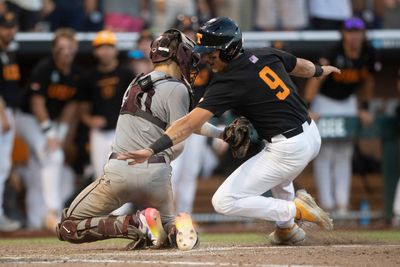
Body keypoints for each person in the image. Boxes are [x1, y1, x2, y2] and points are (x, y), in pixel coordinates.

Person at [118, 17, 340, 245]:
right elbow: (300, 65)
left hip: (288, 148)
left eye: (211, 54)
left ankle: (293, 210)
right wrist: (320, 70)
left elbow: (189, 124)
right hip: (310, 135)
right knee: (280, 179)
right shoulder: (264, 54)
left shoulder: (229, 80)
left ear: (229, 49)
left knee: (224, 201)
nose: (206, 58)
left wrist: (151, 149)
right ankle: (287, 230)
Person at [56, 29, 209, 251]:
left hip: (121, 169)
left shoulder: (135, 81)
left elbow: (185, 124)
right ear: (179, 56)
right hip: (158, 175)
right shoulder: (179, 89)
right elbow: (183, 133)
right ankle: (174, 227)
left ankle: (133, 223)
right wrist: (221, 134)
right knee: (166, 232)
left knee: (67, 226)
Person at [304, 17, 376, 215]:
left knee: (345, 152)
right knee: (325, 152)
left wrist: (365, 107)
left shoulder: (368, 52)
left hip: (348, 101)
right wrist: (308, 107)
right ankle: (327, 204)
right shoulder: (332, 52)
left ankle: (342, 204)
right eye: (350, 32)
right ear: (344, 34)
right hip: (325, 102)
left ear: (363, 34)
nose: (354, 36)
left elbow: (368, 81)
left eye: (358, 32)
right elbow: (316, 78)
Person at [15, 28, 80, 230]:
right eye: (61, 48)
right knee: (53, 156)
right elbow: (37, 103)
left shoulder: (75, 74)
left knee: (39, 170)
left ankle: (36, 222)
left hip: (49, 122)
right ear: (54, 50)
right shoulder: (45, 68)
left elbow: (71, 107)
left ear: (75, 48)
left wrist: (60, 135)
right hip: (26, 118)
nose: (65, 52)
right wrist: (51, 135)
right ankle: (54, 212)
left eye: (69, 47)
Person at [81, 30, 134, 181]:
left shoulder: (126, 73)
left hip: (121, 130)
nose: (105, 51)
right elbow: (83, 106)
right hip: (98, 131)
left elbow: (136, 103)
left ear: (115, 50)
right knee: (100, 174)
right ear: (95, 51)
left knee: (122, 174)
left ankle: (124, 206)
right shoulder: (90, 76)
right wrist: (89, 120)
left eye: (109, 47)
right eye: (101, 47)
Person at [0, 11, 22, 232]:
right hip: (2, 111)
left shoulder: (9, 52)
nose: (10, 31)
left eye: (12, 26)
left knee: (4, 165)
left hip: (8, 110)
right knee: (1, 165)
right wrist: (3, 115)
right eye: (5, 27)